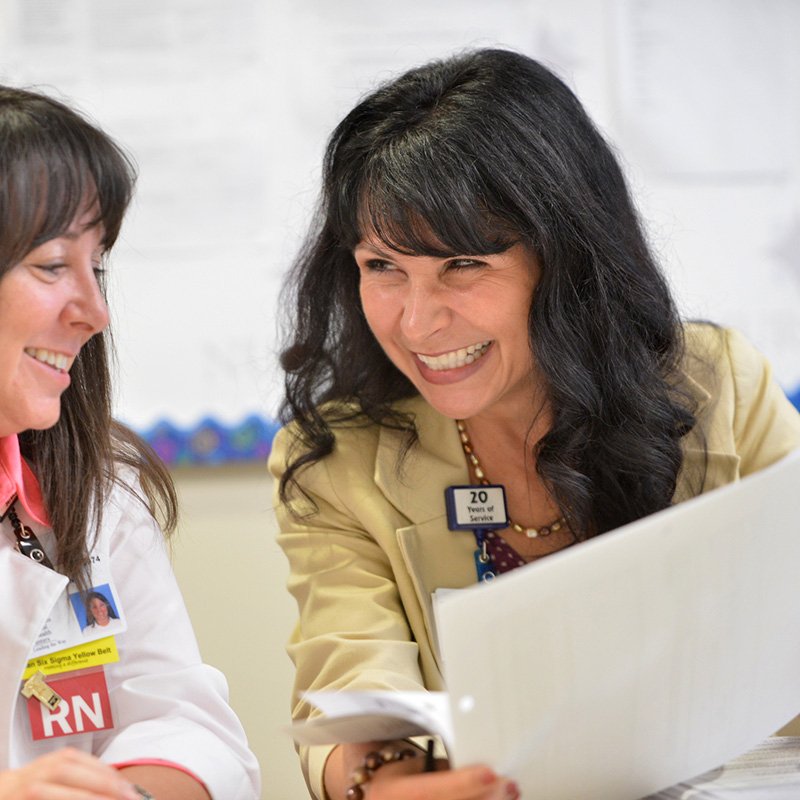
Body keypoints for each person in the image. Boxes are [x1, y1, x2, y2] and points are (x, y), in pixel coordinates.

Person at [268, 48, 800, 800]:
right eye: (382, 267)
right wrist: (379, 783)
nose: (417, 321)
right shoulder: (338, 460)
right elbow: (353, 686)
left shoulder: (721, 385)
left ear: (564, 256)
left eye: (462, 265)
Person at [0, 86, 260, 800]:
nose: (95, 312)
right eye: (54, 265)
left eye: (99, 266)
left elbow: (186, 724)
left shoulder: (94, 487)